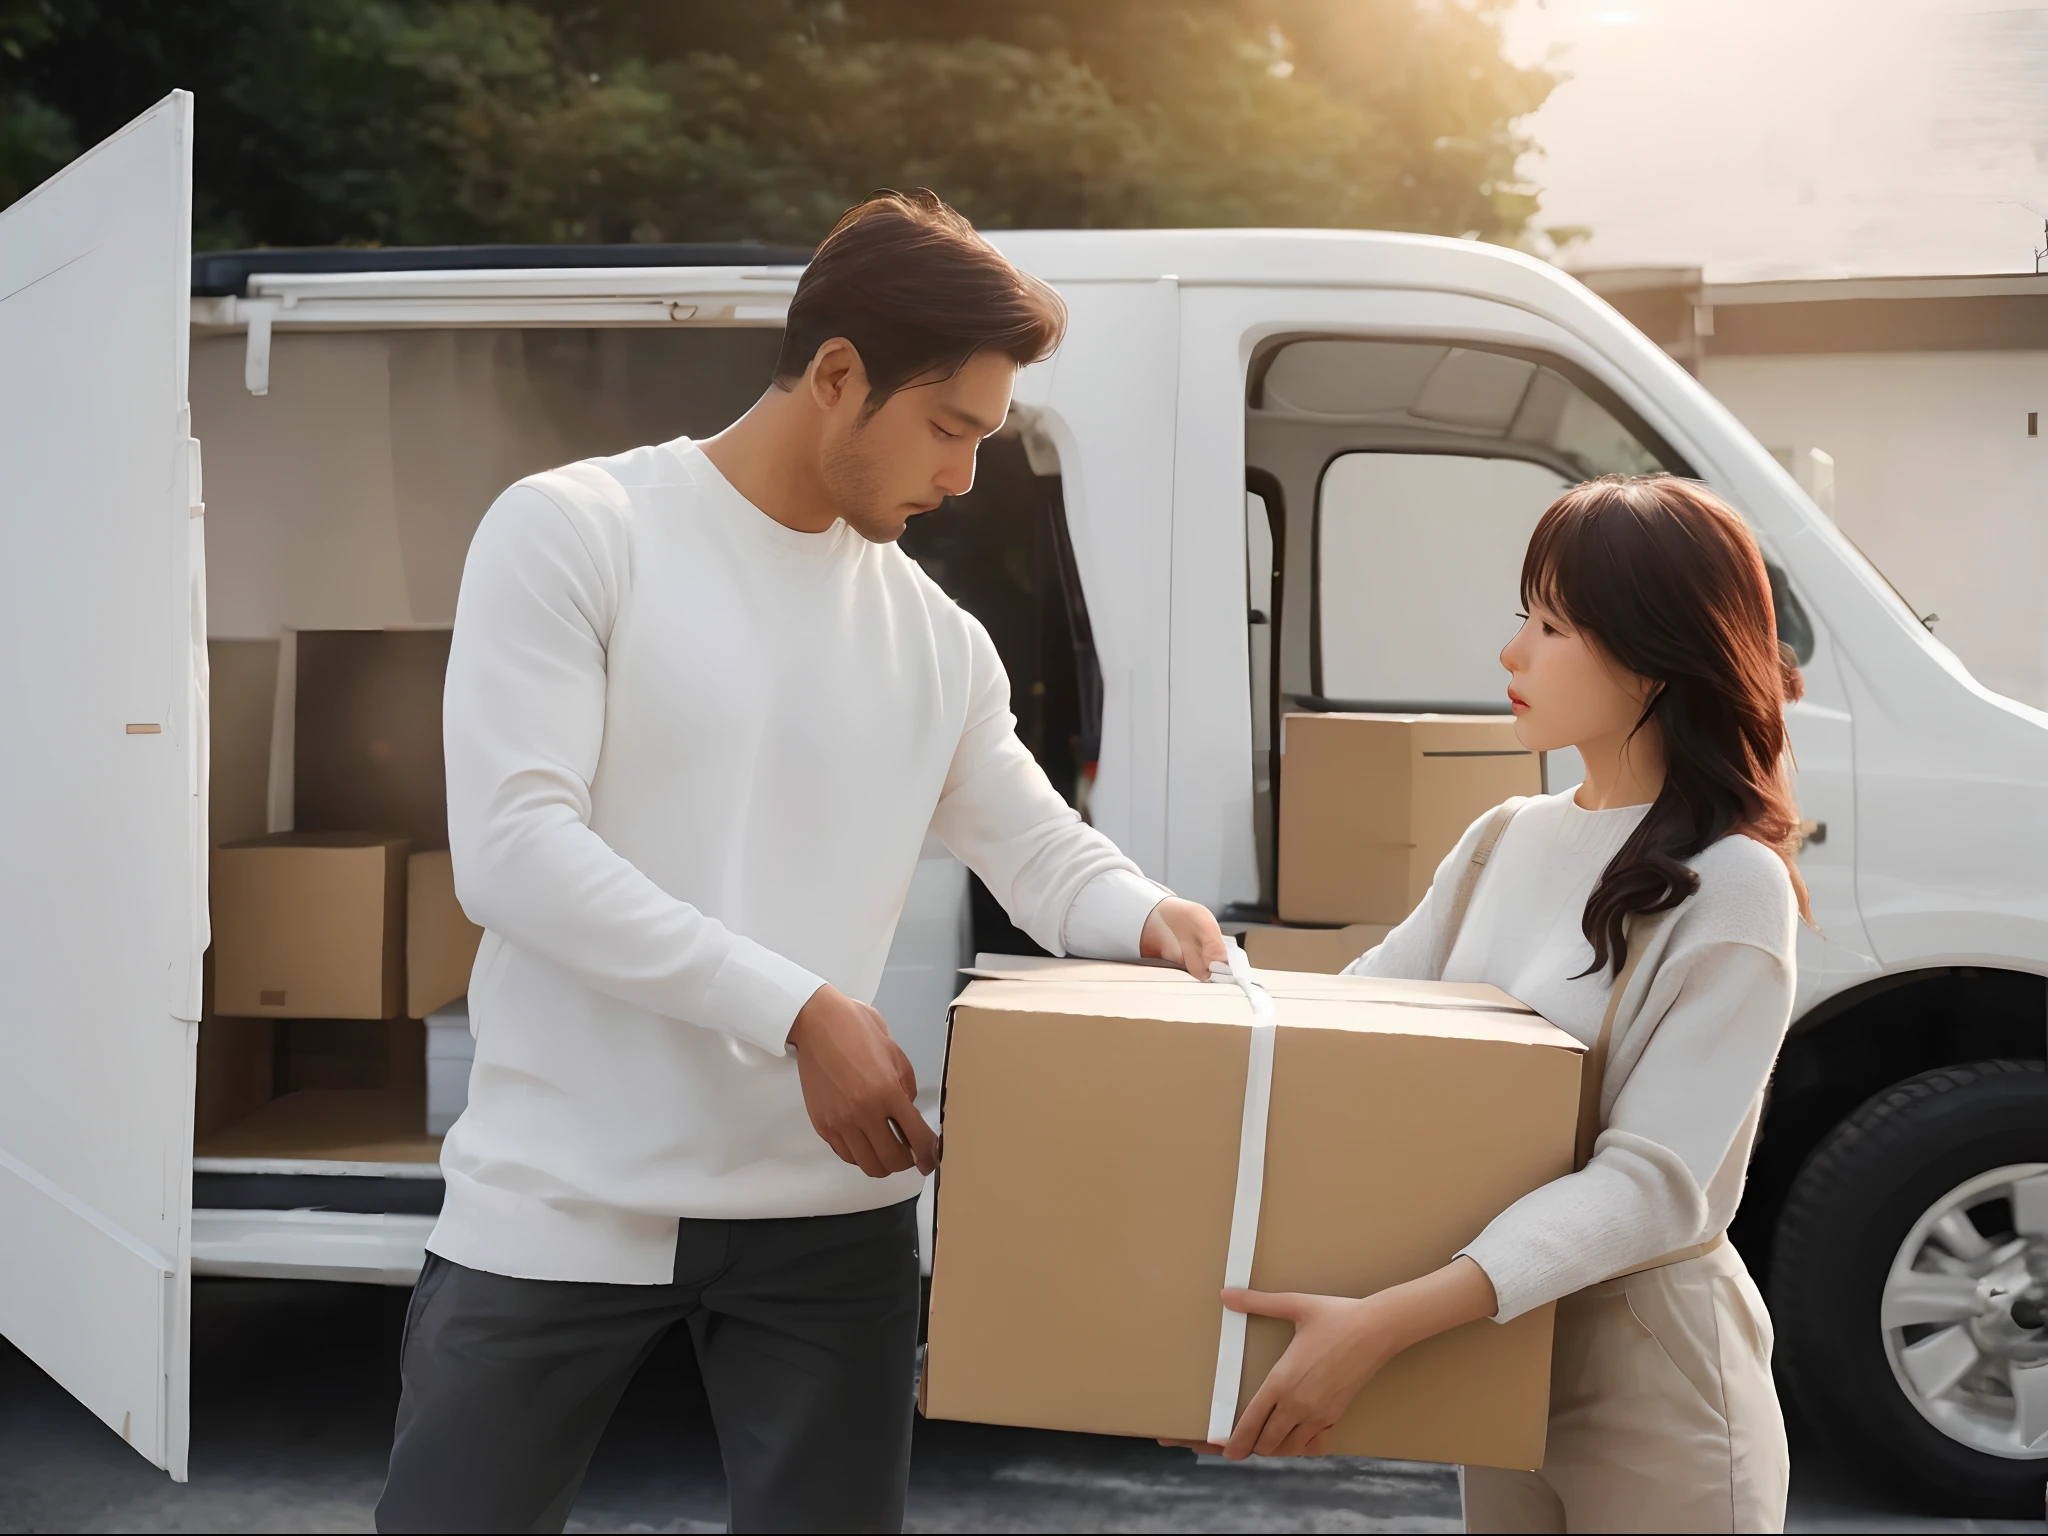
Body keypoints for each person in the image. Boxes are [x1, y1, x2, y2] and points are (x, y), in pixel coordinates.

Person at [375, 190, 1227, 1535]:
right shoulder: (575, 531)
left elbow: (1041, 850)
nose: (961, 476)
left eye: (983, 441)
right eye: (949, 428)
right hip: (562, 1191)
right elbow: (516, 855)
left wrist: (1149, 915)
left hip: (829, 1215)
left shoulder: (935, 640)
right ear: (839, 375)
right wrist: (801, 1009)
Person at [1193, 475, 1804, 1533]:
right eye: (1522, 615)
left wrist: (1382, 1326)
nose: (1510, 653)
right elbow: (1345, 1033)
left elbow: (1649, 1186)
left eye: (1552, 623)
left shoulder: (1731, 883)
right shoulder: (1502, 839)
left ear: (1660, 655)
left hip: (1651, 1378)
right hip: (1488, 1346)